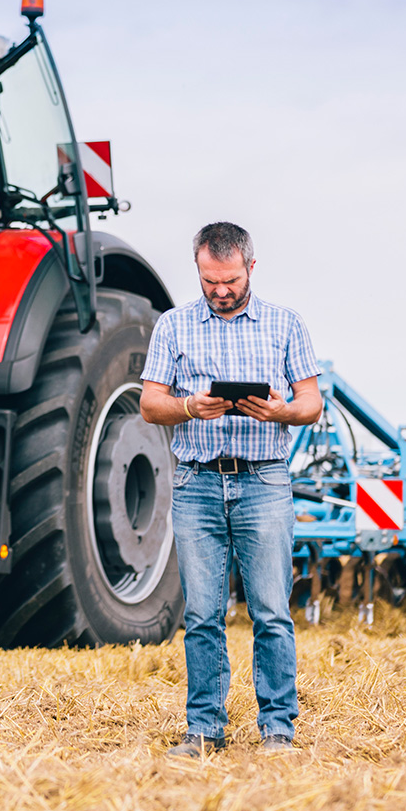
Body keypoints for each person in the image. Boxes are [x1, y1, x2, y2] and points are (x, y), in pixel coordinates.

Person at [139, 222, 322, 757]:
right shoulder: (173, 327)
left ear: (251, 268)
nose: (221, 290)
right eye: (210, 280)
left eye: (231, 280)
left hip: (264, 480)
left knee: (270, 610)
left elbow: (311, 402)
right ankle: (203, 730)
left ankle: (278, 730)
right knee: (201, 614)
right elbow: (151, 404)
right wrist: (190, 406)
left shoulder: (286, 324)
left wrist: (281, 410)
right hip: (196, 482)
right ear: (198, 269)